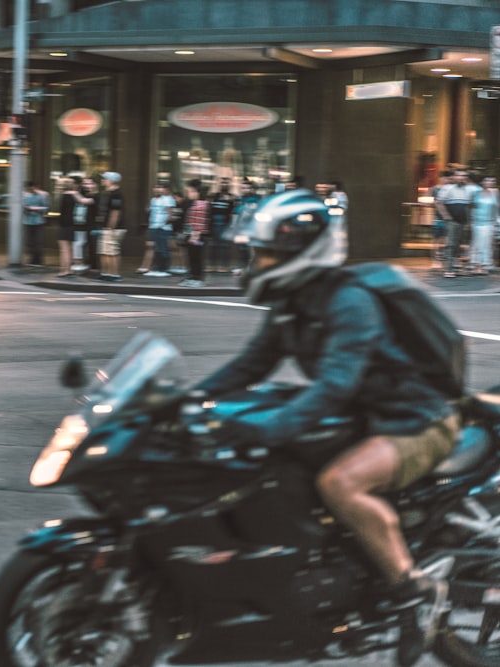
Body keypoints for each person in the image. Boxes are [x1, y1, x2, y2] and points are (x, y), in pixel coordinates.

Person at [193, 189, 458, 666]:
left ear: (304, 252)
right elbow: (251, 365)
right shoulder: (292, 301)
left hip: (416, 419)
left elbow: (335, 386)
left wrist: (268, 427)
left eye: (269, 252)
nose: (259, 261)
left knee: (340, 482)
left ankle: (412, 591)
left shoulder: (350, 301)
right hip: (367, 416)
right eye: (258, 251)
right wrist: (185, 399)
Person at [435, 168, 474, 278]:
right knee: (450, 244)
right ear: (454, 177)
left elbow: (468, 206)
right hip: (452, 221)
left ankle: (454, 266)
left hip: (463, 221)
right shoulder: (447, 188)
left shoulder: (468, 190)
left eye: (464, 175)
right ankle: (448, 269)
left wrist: (468, 221)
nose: (462, 177)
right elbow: (438, 203)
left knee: (458, 245)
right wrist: (447, 217)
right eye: (459, 175)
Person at [56, 176, 93, 277]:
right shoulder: (74, 194)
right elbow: (86, 201)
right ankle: (68, 270)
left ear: (63, 186)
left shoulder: (65, 194)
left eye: (60, 184)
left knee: (64, 249)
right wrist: (93, 195)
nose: (58, 186)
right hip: (71, 224)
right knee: (69, 249)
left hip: (64, 225)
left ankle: (64, 270)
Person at [137, 181, 175, 277]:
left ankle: (163, 269)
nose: (157, 189)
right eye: (156, 187)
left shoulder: (168, 199)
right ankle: (156, 268)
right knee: (156, 248)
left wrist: (163, 225)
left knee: (163, 248)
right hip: (153, 226)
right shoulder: (153, 200)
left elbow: (170, 214)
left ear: (166, 189)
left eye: (160, 187)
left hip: (162, 228)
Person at [96, 171, 126, 281]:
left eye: (105, 178)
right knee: (105, 251)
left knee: (112, 251)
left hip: (113, 229)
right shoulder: (108, 193)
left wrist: (110, 227)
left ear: (111, 181)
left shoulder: (116, 194)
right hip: (107, 228)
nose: (103, 180)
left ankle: (114, 274)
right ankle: (106, 273)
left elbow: (115, 213)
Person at [179, 179, 208, 287]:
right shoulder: (191, 204)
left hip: (197, 237)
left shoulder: (201, 205)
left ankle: (197, 278)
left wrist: (194, 236)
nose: (189, 193)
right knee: (191, 256)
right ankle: (192, 277)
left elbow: (199, 223)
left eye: (191, 191)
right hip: (191, 235)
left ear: (197, 192)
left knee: (196, 257)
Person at [469, 173, 497, 275]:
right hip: (477, 222)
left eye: (491, 181)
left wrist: (496, 223)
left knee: (487, 244)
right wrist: (471, 221)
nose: (489, 183)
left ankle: (484, 265)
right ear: (482, 182)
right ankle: (476, 265)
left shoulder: (495, 192)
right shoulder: (476, 193)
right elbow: (471, 208)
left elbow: (496, 208)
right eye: (487, 180)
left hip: (489, 222)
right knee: (477, 244)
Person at [207, 177, 236, 271]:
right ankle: (212, 265)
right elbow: (210, 209)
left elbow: (232, 211)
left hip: (225, 222)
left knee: (225, 245)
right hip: (214, 222)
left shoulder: (231, 197)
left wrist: (230, 200)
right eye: (222, 183)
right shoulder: (214, 196)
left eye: (226, 183)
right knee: (214, 245)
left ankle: (224, 266)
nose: (224, 185)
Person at [22, 180, 50, 267]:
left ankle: (39, 260)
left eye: (33, 188)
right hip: (28, 221)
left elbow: (47, 208)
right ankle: (32, 259)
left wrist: (36, 209)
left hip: (39, 221)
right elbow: (22, 207)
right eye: (29, 188)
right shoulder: (24, 195)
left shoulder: (43, 195)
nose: (31, 189)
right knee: (30, 242)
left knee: (38, 241)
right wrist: (27, 208)